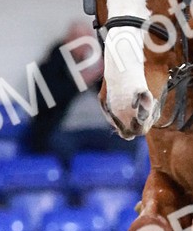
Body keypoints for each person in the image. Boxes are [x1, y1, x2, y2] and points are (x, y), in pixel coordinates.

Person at [24, 20, 122, 160]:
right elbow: (42, 104)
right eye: (80, 39)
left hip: (102, 127)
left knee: (128, 141)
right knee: (60, 146)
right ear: (68, 41)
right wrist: (78, 82)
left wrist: (105, 75)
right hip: (65, 130)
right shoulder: (49, 68)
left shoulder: (100, 64)